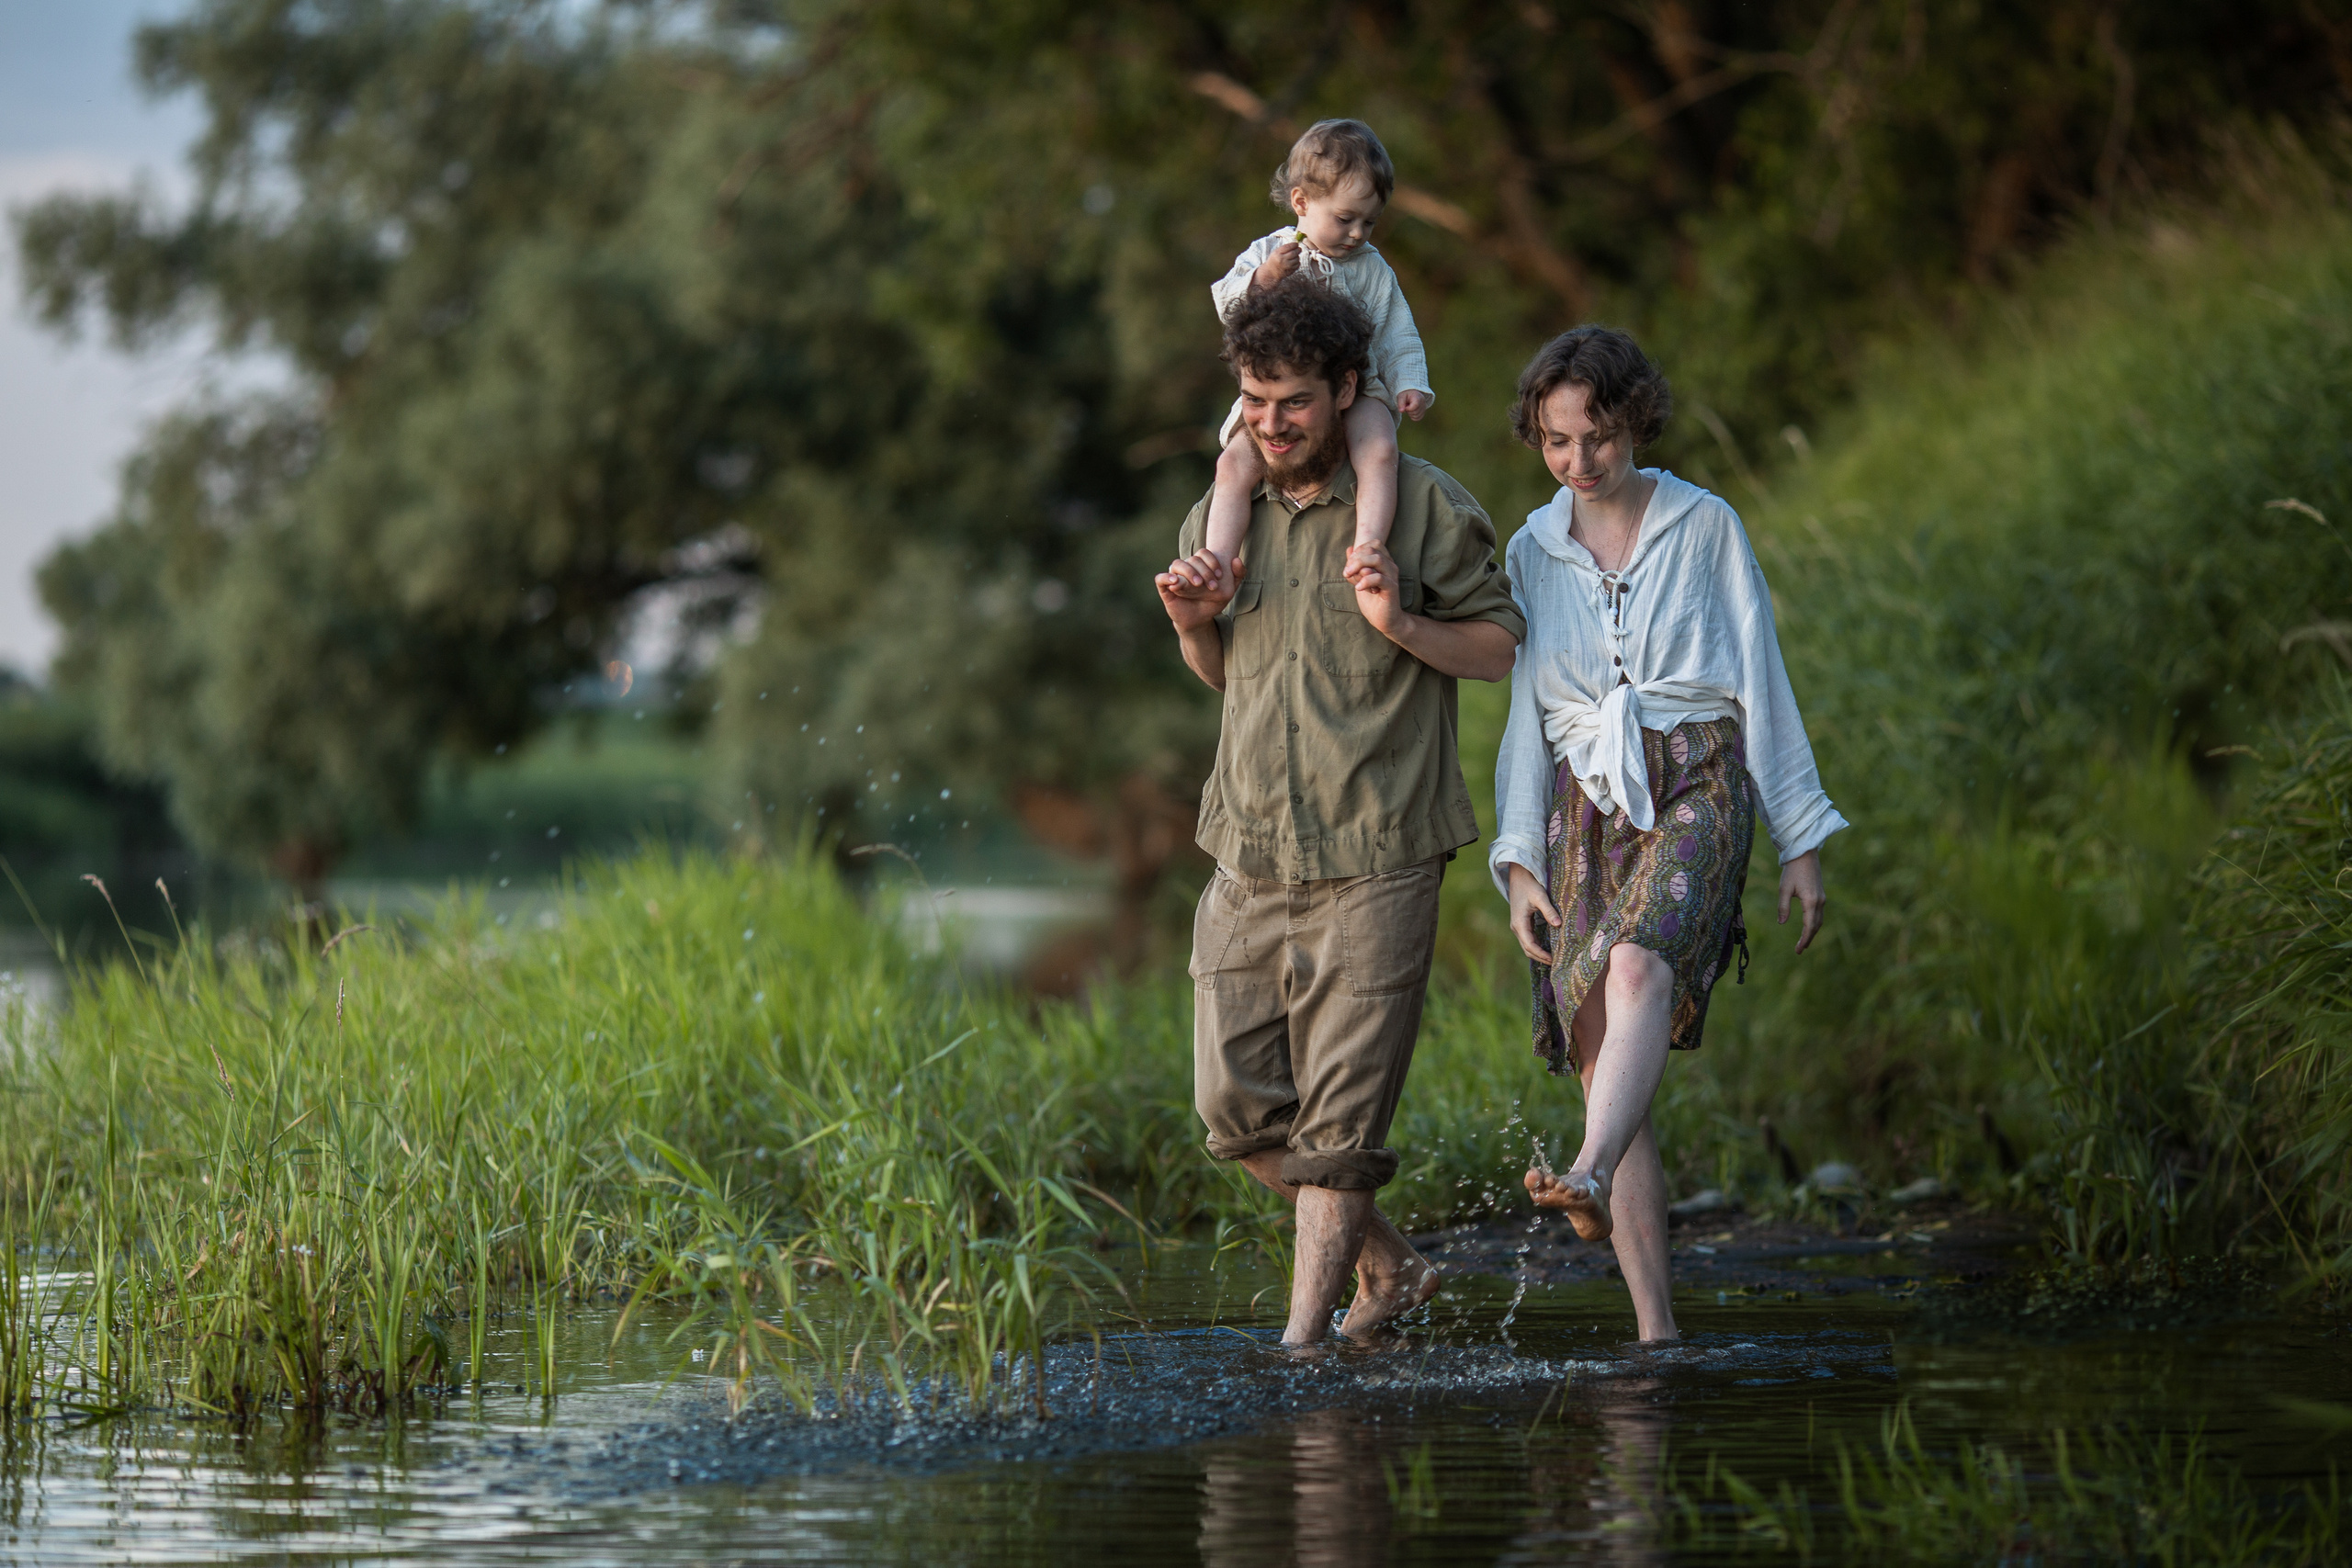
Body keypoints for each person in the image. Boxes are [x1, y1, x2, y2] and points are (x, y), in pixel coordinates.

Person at [1155, 277, 1521, 1347]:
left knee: (1340, 1132)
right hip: (1248, 853)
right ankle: (1394, 1270)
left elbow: (1498, 650)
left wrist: (1400, 619)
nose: (1272, 425)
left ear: (1348, 390)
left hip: (1381, 853)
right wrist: (1189, 625)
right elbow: (1230, 675)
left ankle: (1301, 1354)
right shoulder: (1221, 517)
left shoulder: (1422, 506)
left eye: (1296, 403)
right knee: (1234, 1114)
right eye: (1255, 401)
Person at [1489, 326, 1846, 1344]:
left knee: (1640, 971)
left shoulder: (1704, 525)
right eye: (1556, 442)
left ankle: (1586, 1170)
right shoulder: (1531, 546)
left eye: (1596, 436)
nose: (1578, 461)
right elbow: (1526, 712)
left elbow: (1761, 679)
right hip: (1579, 803)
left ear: (1634, 421)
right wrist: (1517, 862)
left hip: (1696, 777)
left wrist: (1800, 837)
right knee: (1609, 1063)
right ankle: (1658, 1337)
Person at [1168, 118, 1433, 603]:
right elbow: (1228, 308)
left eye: (1369, 222)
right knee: (1233, 465)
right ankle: (1217, 564)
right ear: (1302, 203)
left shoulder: (1373, 269)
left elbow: (1398, 331)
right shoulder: (1269, 252)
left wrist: (1408, 383)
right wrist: (1264, 279)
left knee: (1379, 451)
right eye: (1345, 218)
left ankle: (1368, 544)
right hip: (1285, 397)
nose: (1356, 234)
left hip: (1362, 387)